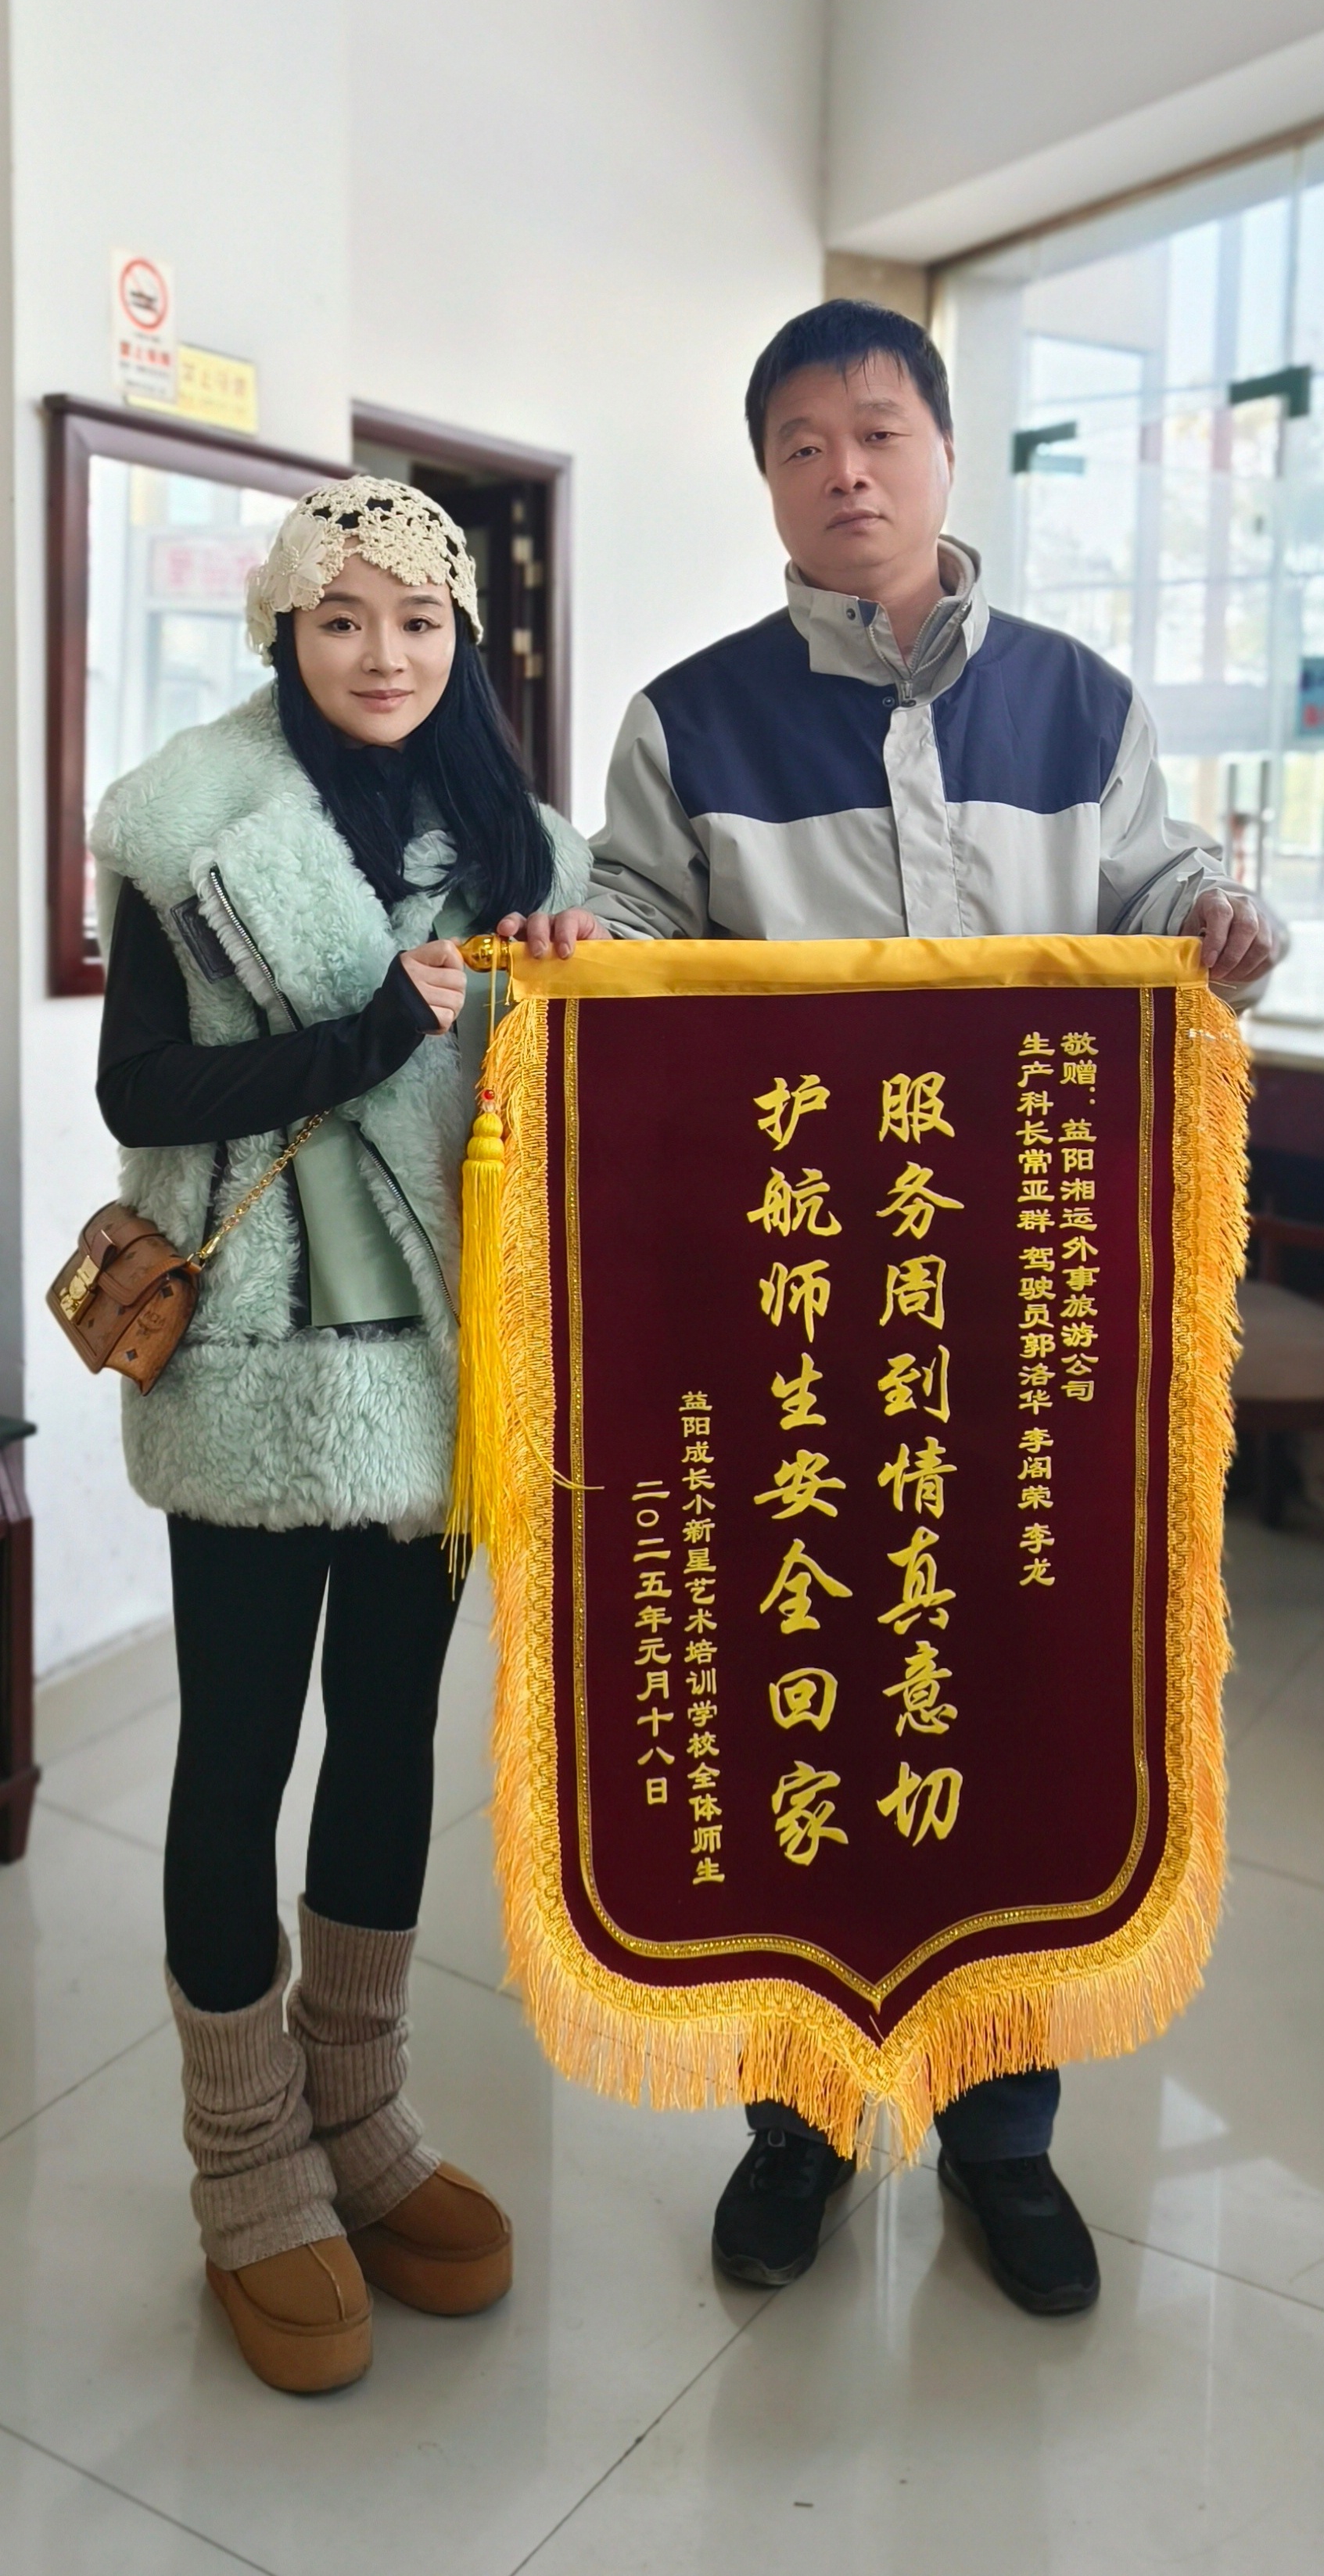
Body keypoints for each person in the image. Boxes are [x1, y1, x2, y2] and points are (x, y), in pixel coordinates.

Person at [499, 299, 1281, 2317]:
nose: (842, 470)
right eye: (798, 443)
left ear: (943, 448)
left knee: (1010, 1693)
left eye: (875, 430)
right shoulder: (690, 721)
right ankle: (798, 2121)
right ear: (767, 480)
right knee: (801, 1685)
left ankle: (1001, 2133)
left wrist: (1216, 926)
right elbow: (636, 943)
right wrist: (586, 943)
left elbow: (1162, 912)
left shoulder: (1076, 706)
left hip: (1024, 1333)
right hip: (782, 1332)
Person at [91, 476, 590, 2393]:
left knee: (391, 1737)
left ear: (464, 637)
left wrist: (572, 978)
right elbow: (143, 1084)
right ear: (285, 634)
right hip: (254, 1364)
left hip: (443, 1367)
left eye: (418, 619)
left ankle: (357, 2114)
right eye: (341, 618)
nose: (384, 653)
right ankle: (245, 2159)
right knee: (237, 1750)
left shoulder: (521, 841)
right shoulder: (189, 825)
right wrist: (374, 1027)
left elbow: (560, 1097)